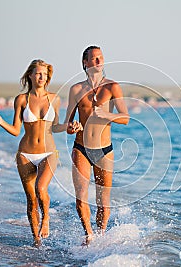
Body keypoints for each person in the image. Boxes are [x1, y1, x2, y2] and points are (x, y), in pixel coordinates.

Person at [0, 59, 63, 247]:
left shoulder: (54, 98)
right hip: (25, 154)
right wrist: (0, 122)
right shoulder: (22, 100)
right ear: (30, 75)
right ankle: (36, 240)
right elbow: (16, 130)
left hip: (49, 153)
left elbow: (55, 127)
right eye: (38, 73)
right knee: (31, 200)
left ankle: (46, 218)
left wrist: (70, 127)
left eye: (45, 74)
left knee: (41, 188)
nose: (42, 77)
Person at [64, 46, 129, 245]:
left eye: (100, 57)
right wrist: (71, 127)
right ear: (85, 63)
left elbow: (125, 118)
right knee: (81, 194)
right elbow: (67, 123)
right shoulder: (76, 89)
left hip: (104, 150)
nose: (99, 61)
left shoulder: (112, 87)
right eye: (94, 58)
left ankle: (100, 235)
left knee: (103, 200)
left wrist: (107, 115)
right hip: (81, 148)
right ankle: (88, 235)